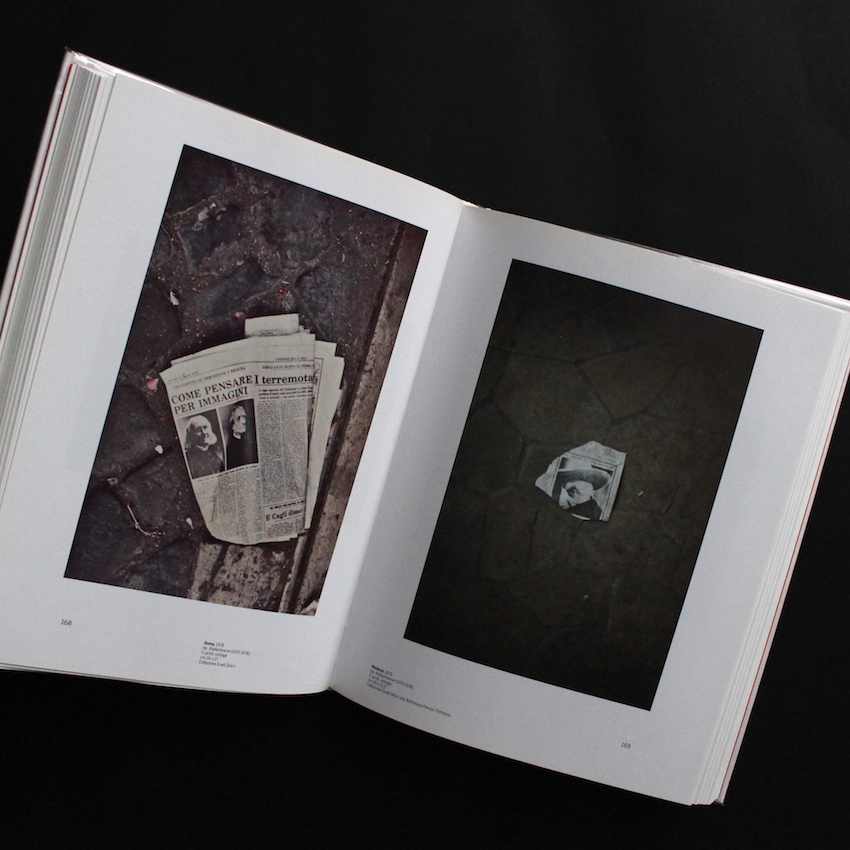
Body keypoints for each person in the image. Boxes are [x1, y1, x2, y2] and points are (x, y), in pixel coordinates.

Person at [184, 414, 225, 479]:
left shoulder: (217, 451)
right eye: (198, 429)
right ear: (191, 435)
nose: (204, 432)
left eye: (205, 427)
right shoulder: (188, 457)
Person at [225, 403, 258, 469]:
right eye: (238, 418)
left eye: (244, 417)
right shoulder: (230, 448)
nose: (243, 421)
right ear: (232, 422)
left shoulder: (249, 443)